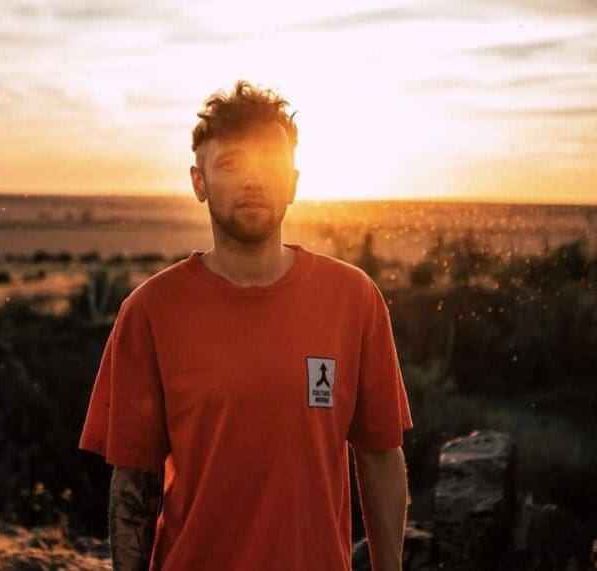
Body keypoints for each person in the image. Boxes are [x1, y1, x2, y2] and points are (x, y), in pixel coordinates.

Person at [79, 79, 413, 571]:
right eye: (231, 164)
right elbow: (134, 480)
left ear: (294, 184)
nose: (253, 180)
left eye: (270, 165)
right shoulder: (151, 311)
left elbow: (381, 453)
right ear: (199, 182)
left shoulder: (353, 299)